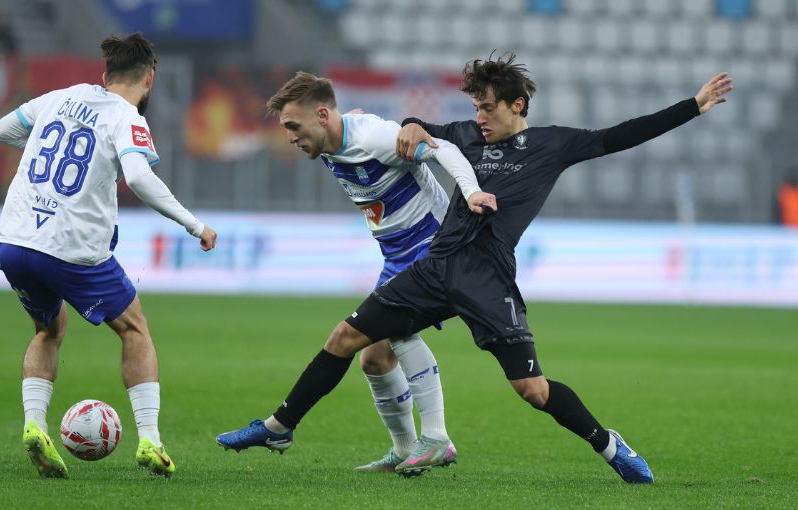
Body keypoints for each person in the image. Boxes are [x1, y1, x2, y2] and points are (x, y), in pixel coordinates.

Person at [216, 53, 732, 484]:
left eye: (487, 107)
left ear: (517, 105)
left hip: (487, 278)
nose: (479, 117)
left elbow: (620, 135)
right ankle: (281, 425)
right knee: (346, 339)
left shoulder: (552, 145)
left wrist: (692, 106)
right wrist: (412, 124)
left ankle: (610, 445)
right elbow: (419, 134)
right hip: (434, 267)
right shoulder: (466, 134)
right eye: (475, 107)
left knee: (532, 390)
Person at [215, 72, 497, 477]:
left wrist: (471, 193)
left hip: (432, 248)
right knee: (374, 359)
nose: (290, 137)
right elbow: (346, 123)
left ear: (322, 116)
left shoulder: (375, 138)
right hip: (396, 256)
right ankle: (404, 449)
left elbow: (447, 150)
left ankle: (434, 437)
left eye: (294, 126)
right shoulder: (330, 135)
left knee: (372, 334)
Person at [0, 32, 217, 479]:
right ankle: (150, 440)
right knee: (134, 328)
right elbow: (140, 178)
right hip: (71, 247)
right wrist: (195, 225)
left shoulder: (61, 97)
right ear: (149, 79)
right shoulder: (126, 117)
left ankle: (35, 425)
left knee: (49, 328)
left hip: (14, 241)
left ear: (104, 73)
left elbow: (1, 129)